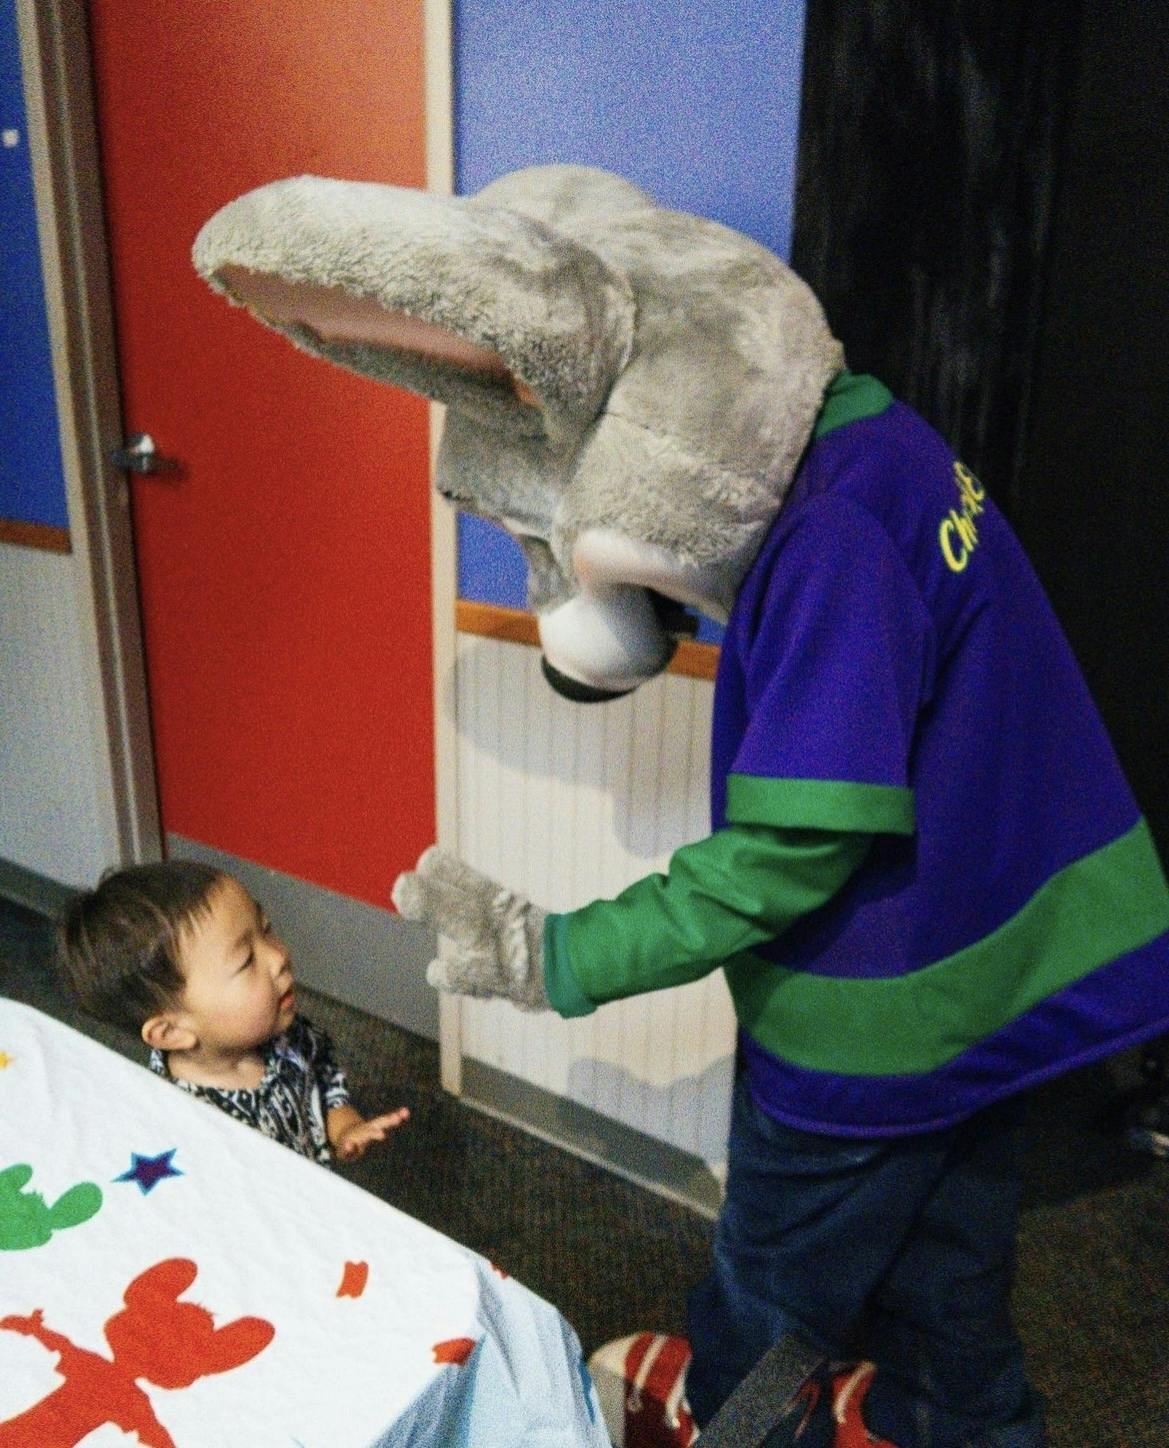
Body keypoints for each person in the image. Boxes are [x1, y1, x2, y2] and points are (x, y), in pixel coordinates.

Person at [396, 373, 1169, 1447]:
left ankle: (739, 1428)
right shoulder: (875, 434)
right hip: (988, 980)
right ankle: (955, 1424)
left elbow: (782, 854)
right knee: (949, 1262)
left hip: (872, 1024)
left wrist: (553, 951)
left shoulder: (824, 537)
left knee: (765, 1293)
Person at [58, 860, 409, 1166]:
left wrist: (345, 1128)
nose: (278, 957)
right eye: (245, 961)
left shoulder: (281, 1031)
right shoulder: (185, 1126)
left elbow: (322, 1077)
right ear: (171, 1032)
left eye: (265, 929)